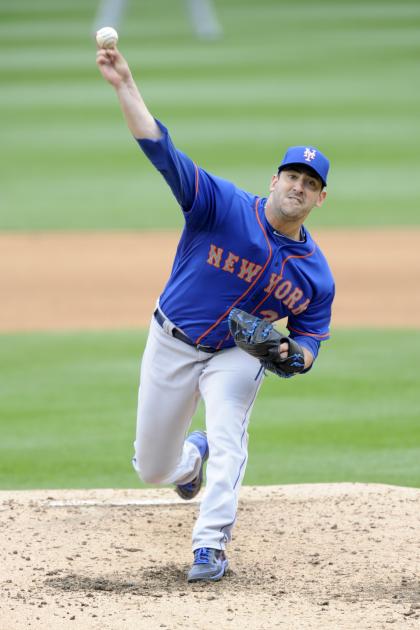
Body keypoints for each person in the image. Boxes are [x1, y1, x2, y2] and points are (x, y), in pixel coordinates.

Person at [96, 46, 335, 583]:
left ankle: (210, 545)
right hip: (171, 341)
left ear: (321, 198)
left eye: (311, 183)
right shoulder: (220, 206)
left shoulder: (316, 276)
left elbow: (310, 343)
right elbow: (162, 150)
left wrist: (290, 355)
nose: (298, 186)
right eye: (292, 176)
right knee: (154, 468)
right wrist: (124, 86)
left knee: (230, 433)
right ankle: (190, 461)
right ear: (274, 180)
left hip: (234, 355)